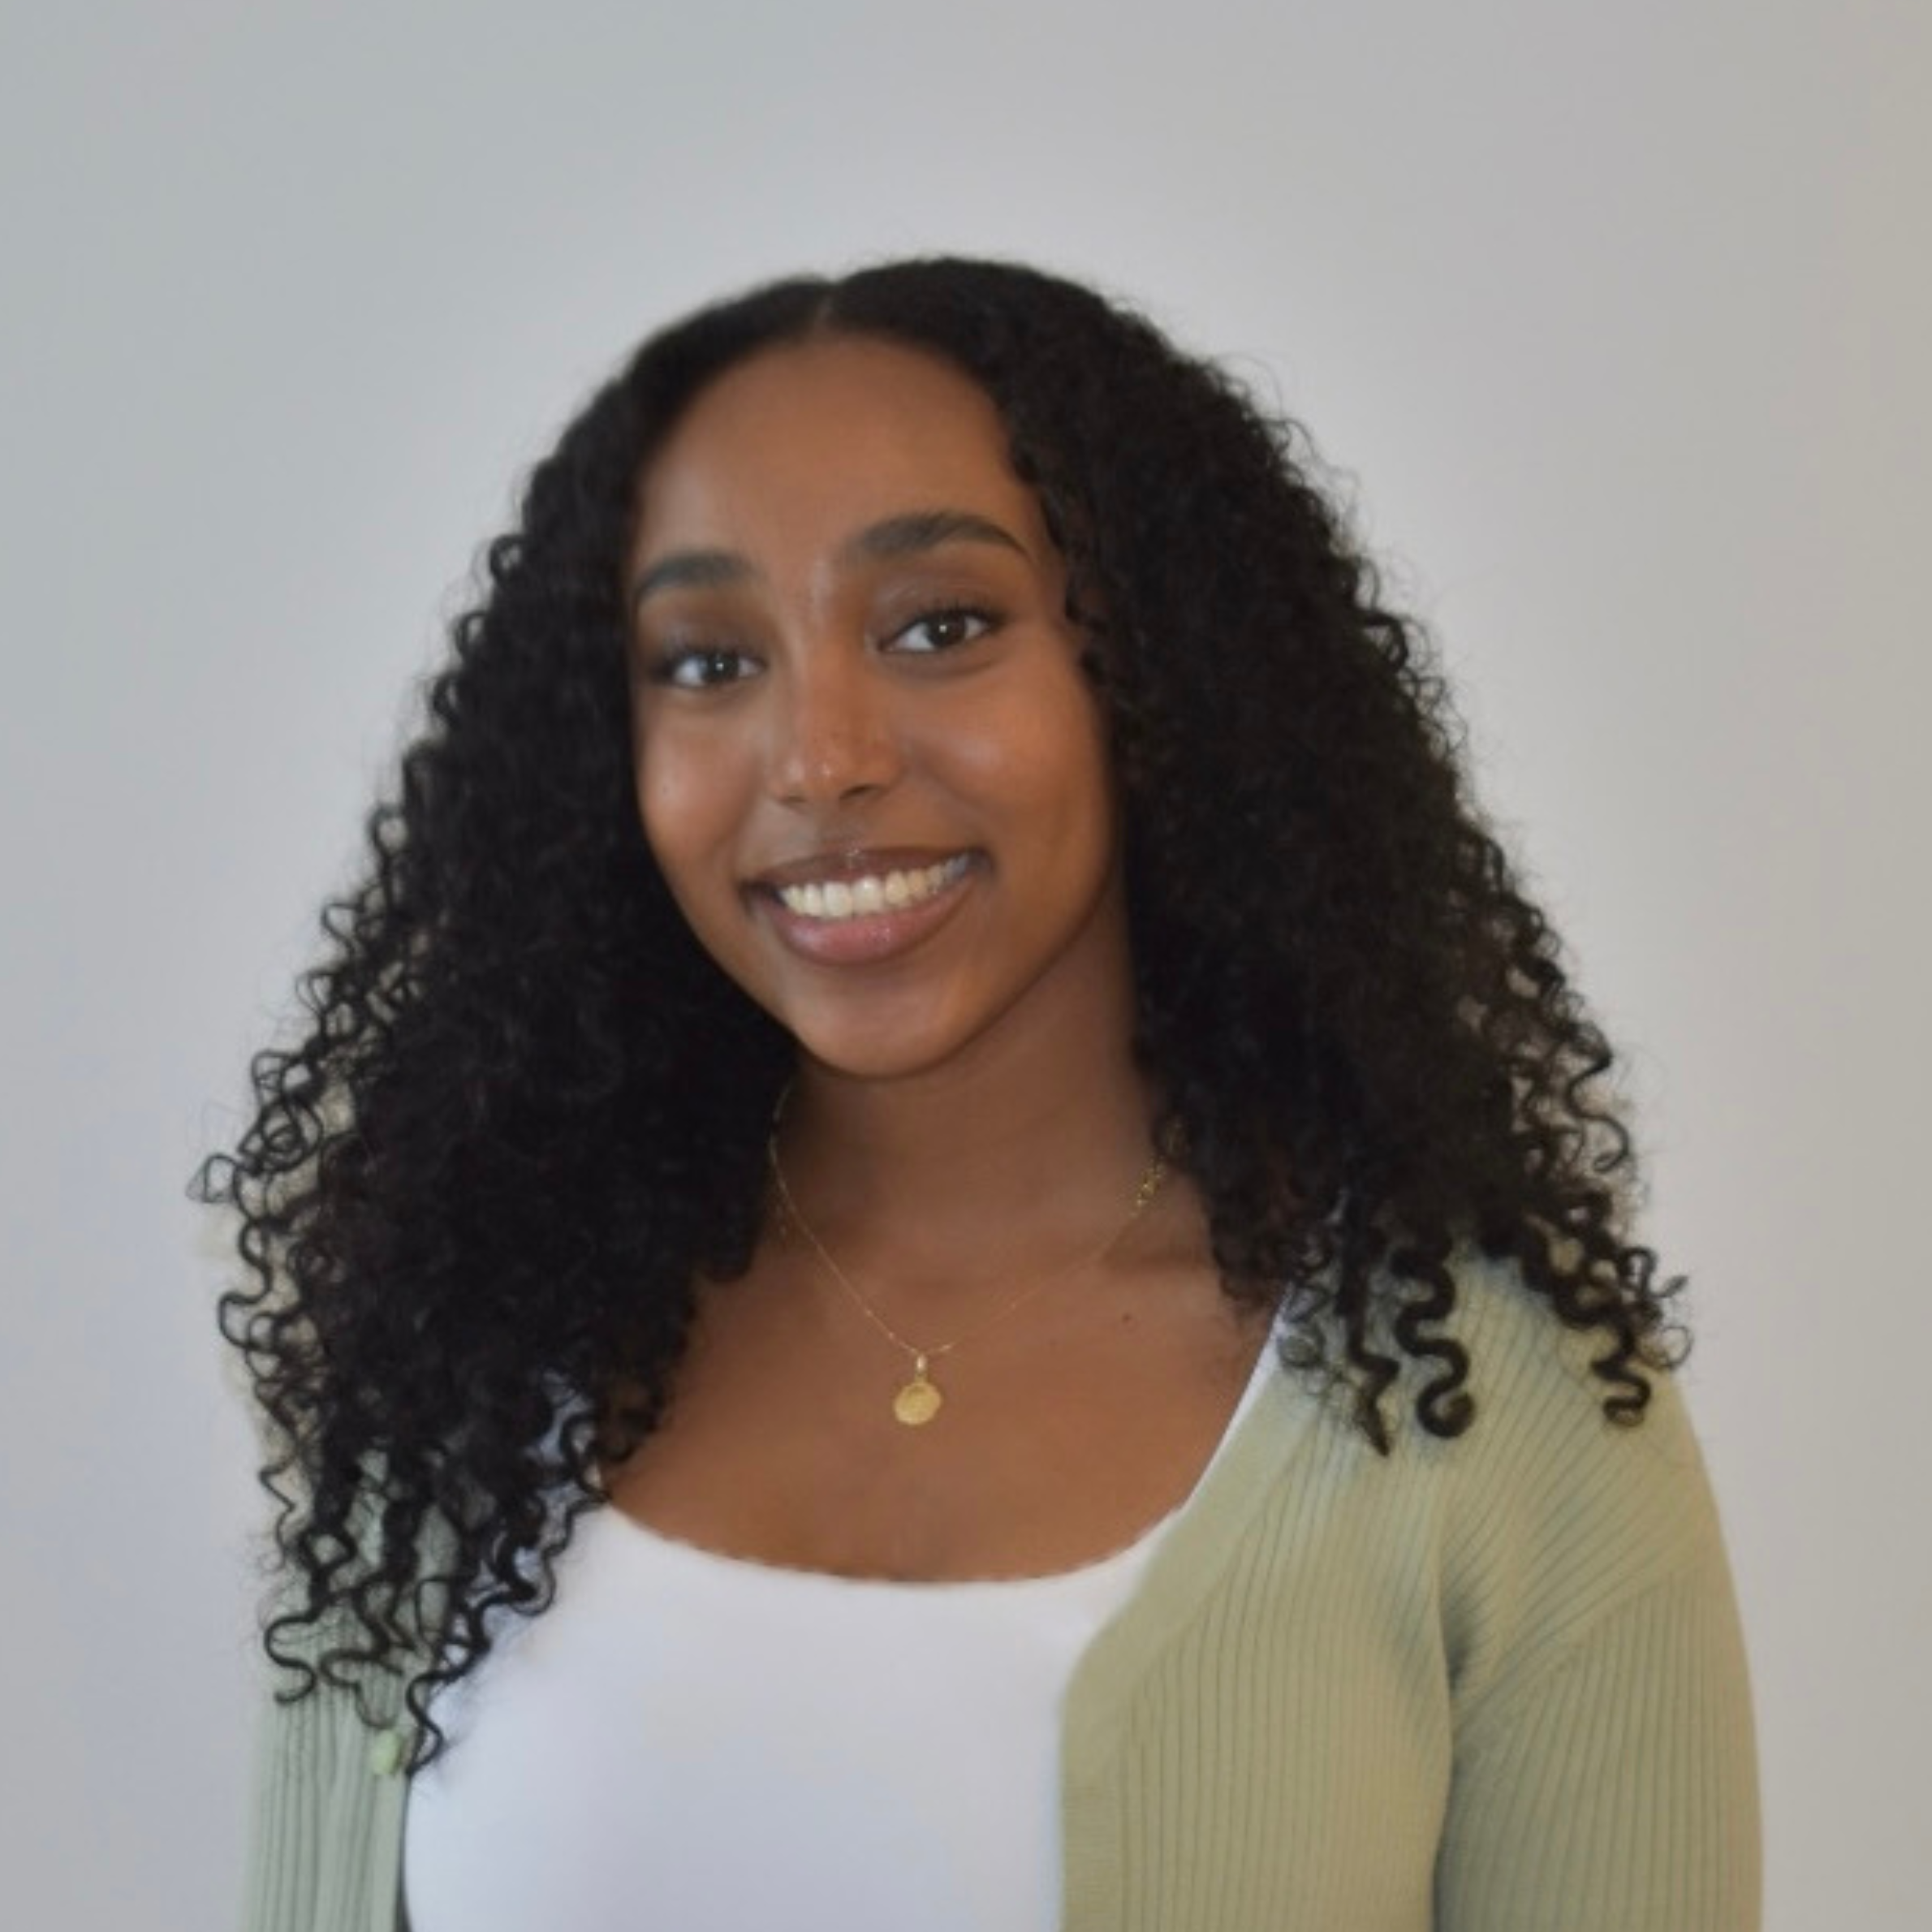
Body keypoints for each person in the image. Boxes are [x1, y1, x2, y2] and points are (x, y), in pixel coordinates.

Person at [201, 257, 1760, 1930]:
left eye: (939, 624)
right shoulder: (464, 1355)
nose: (820, 757)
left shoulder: (1494, 1403)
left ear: (1156, 677)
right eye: (707, 659)